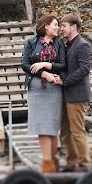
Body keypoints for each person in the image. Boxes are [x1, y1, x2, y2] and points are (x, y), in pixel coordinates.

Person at [21, 14, 66, 173]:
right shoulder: (31, 43)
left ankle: (53, 160)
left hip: (54, 87)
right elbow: (25, 65)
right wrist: (43, 74)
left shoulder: (59, 43)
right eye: (55, 24)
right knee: (42, 126)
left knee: (52, 126)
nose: (58, 27)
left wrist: (45, 64)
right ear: (46, 26)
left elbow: (62, 65)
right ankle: (47, 163)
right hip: (37, 88)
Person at [59, 14, 92, 172]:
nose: (61, 28)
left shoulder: (83, 45)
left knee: (77, 131)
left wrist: (66, 81)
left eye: (64, 25)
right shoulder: (66, 45)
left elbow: (84, 69)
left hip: (77, 95)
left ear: (73, 26)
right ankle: (72, 163)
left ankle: (85, 165)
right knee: (65, 132)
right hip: (65, 96)